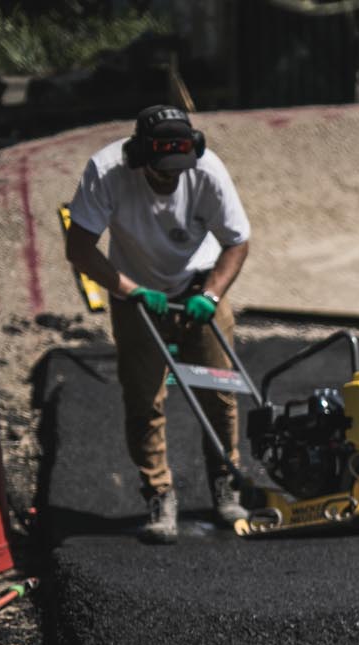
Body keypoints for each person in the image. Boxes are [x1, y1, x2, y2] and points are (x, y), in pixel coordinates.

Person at [65, 105, 251, 544]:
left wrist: (211, 294)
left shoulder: (206, 170)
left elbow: (237, 242)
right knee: (145, 398)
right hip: (136, 292)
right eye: (161, 170)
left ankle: (226, 482)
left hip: (199, 287)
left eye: (178, 169)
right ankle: (159, 493)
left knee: (220, 392)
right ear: (138, 156)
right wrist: (130, 291)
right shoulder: (107, 172)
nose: (171, 178)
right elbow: (80, 248)